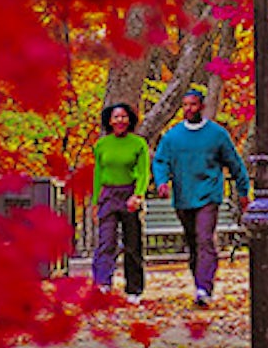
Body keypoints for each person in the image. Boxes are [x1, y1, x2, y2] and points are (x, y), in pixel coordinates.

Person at [152, 89, 249, 307]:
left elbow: (235, 164)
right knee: (193, 243)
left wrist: (244, 192)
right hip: (183, 196)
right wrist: (161, 182)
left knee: (204, 238)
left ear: (202, 107)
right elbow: (160, 161)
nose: (189, 109)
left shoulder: (217, 135)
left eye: (193, 104)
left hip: (209, 195)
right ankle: (199, 283)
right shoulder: (173, 136)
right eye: (185, 105)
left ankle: (204, 288)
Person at [91, 103, 150, 303]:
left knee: (132, 243)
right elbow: (98, 174)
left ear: (130, 120)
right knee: (106, 241)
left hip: (129, 193)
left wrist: (138, 195)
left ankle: (134, 289)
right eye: (116, 117)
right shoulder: (102, 145)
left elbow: (143, 172)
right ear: (109, 120)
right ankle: (102, 284)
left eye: (124, 117)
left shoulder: (138, 143)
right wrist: (95, 202)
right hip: (108, 195)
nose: (120, 121)